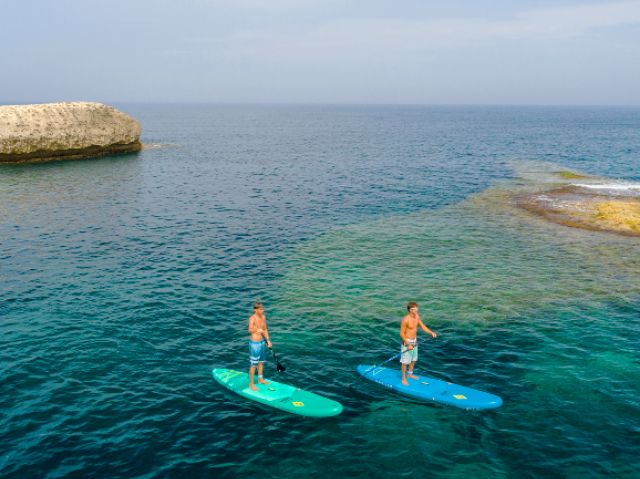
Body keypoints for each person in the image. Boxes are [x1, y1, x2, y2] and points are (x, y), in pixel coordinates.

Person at [400, 301, 437, 386]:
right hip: (407, 342)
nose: (416, 310)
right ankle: (403, 378)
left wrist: (431, 332)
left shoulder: (417, 316)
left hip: (414, 341)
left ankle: (410, 374)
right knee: (405, 362)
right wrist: (408, 344)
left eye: (416, 309)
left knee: (413, 360)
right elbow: (401, 333)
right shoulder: (405, 319)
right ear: (410, 310)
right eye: (413, 309)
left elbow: (422, 326)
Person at [248, 301, 272, 391]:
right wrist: (256, 329)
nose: (263, 310)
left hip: (262, 342)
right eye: (261, 309)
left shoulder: (263, 317)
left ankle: (260, 379)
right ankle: (251, 384)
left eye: (262, 308)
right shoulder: (252, 318)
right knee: (254, 364)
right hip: (254, 344)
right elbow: (249, 330)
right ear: (255, 310)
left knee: (261, 362)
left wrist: (268, 340)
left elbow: (265, 329)